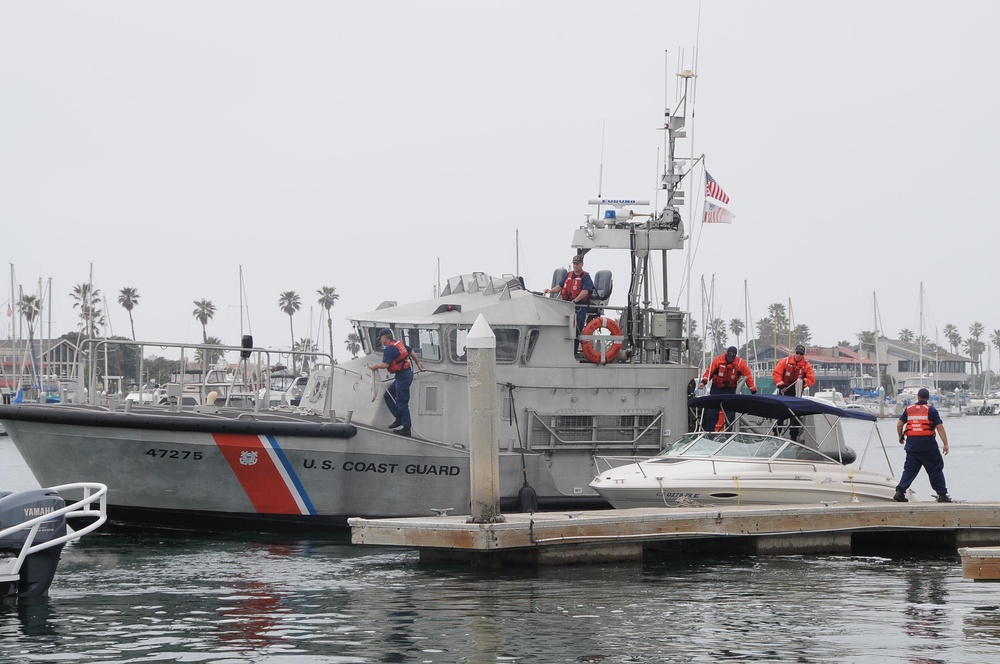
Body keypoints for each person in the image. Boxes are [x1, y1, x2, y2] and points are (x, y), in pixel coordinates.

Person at [894, 387, 952, 502]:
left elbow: (899, 424)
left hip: (912, 445)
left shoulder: (908, 409)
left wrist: (901, 437)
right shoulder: (931, 410)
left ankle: (900, 492)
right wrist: (945, 444)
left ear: (918, 397)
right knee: (935, 468)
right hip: (928, 445)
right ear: (928, 398)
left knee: (909, 470)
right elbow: (940, 428)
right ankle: (942, 494)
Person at [368, 328, 424, 437]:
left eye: (380, 338)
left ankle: (407, 428)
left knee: (402, 403)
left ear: (384, 337)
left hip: (403, 376)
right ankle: (398, 418)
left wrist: (375, 366)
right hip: (403, 375)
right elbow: (410, 350)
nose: (380, 341)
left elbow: (386, 365)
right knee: (388, 396)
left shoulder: (389, 348)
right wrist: (418, 362)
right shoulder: (398, 344)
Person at [698, 346, 757, 431]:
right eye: (729, 356)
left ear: (735, 356)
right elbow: (709, 372)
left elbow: (748, 376)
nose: (730, 359)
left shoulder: (740, 364)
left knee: (730, 415)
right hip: (716, 389)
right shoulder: (718, 361)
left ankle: (728, 434)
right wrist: (703, 382)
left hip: (730, 390)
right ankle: (709, 433)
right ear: (727, 354)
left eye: (732, 357)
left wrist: (753, 391)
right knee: (711, 413)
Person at [544, 255, 594, 353]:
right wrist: (550, 291)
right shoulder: (568, 275)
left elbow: (585, 291)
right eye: (574, 263)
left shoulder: (585, 276)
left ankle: (573, 352)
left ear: (582, 264)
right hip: (567, 306)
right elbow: (560, 286)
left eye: (578, 264)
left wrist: (575, 301)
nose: (575, 266)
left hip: (579, 307)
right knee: (564, 330)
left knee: (575, 331)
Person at [772, 344, 816, 441]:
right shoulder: (785, 361)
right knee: (780, 412)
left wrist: (803, 381)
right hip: (784, 390)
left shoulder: (806, 365)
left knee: (795, 414)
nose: (798, 355)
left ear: (803, 355)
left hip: (797, 392)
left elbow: (811, 379)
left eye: (801, 354)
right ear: (794, 352)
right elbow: (776, 373)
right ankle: (776, 433)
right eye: (797, 353)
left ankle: (793, 436)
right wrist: (781, 385)